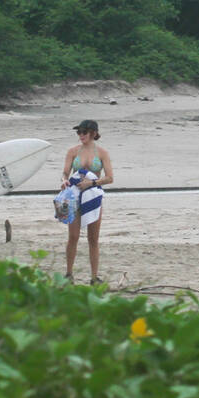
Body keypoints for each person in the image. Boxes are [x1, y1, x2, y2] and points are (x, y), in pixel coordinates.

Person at [60, 119, 114, 284]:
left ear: (94, 133)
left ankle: (94, 276)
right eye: (79, 132)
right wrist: (64, 180)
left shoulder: (102, 153)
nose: (81, 135)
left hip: (93, 196)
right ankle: (69, 274)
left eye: (84, 132)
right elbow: (65, 172)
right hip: (75, 195)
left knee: (93, 238)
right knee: (73, 236)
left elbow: (110, 178)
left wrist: (92, 183)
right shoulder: (73, 151)